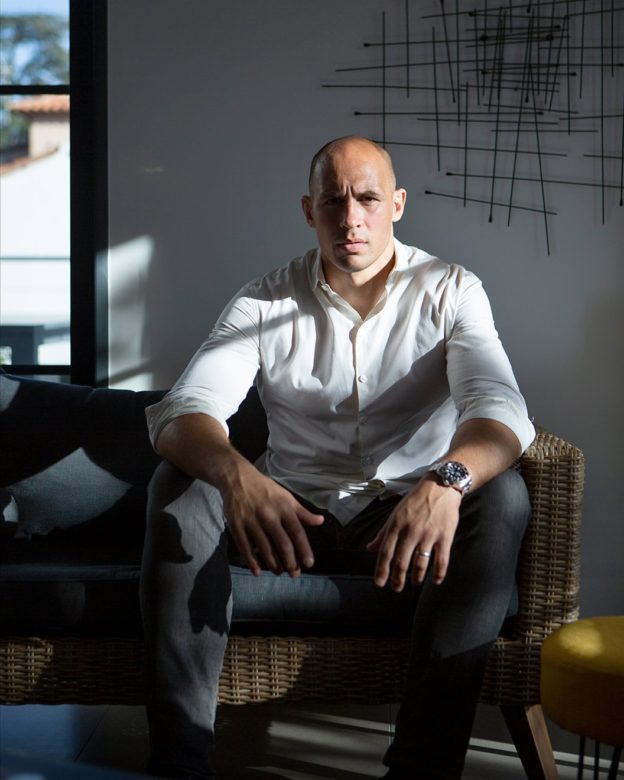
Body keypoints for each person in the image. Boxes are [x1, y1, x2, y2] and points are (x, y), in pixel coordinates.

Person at [140, 135, 535, 780]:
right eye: (334, 201)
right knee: (177, 485)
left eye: (369, 199)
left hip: (408, 520)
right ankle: (180, 764)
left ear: (397, 205)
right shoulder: (263, 302)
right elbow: (181, 414)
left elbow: (502, 411)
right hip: (289, 523)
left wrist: (446, 482)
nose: (351, 217)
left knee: (505, 494)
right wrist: (239, 475)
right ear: (309, 210)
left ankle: (420, 771)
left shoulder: (451, 289)